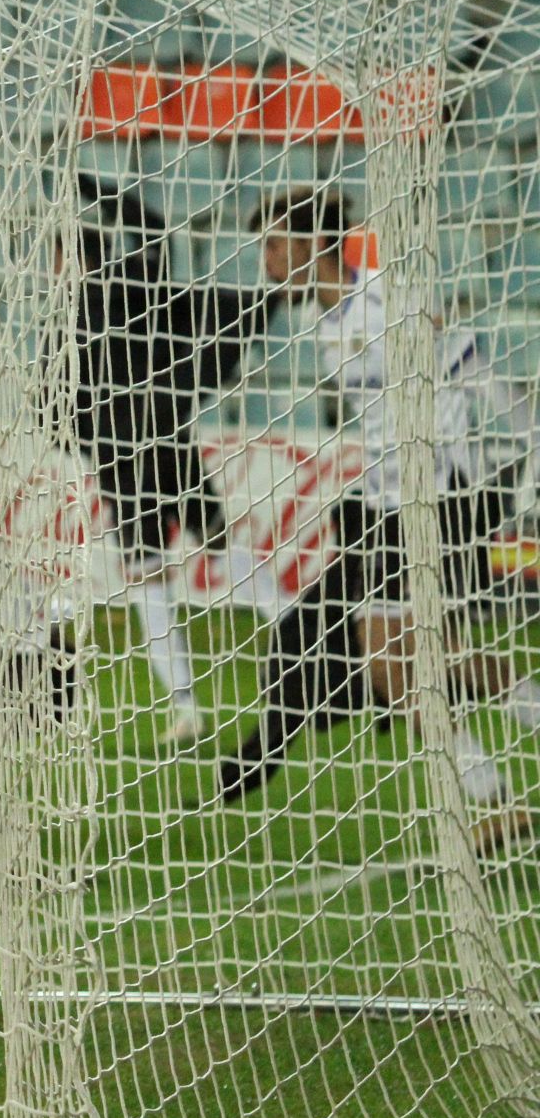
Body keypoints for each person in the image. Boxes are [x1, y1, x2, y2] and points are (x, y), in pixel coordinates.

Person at [215, 188, 539, 851]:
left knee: (411, 661)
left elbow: (475, 370)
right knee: (407, 665)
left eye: (276, 245)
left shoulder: (389, 299)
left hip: (440, 496)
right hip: (384, 503)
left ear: (312, 244)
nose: (268, 260)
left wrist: (531, 440)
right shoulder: (325, 321)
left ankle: (494, 798)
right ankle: (495, 800)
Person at [68, 176, 269, 745]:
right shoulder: (71, 315)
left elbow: (151, 229)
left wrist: (86, 186)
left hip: (150, 450)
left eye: (61, 256)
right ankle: (186, 705)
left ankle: (197, 696)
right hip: (133, 457)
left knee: (174, 568)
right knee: (168, 570)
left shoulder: (119, 287)